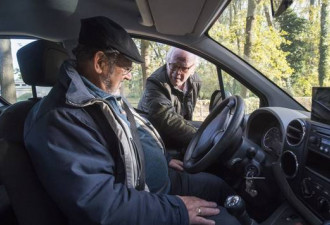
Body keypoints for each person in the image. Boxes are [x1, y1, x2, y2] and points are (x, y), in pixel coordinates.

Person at [24, 16, 240, 225]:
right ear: (99, 62)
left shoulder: (101, 95)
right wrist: (177, 210)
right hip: (143, 202)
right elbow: (103, 205)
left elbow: (130, 134)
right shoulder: (61, 120)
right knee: (226, 221)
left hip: (157, 182)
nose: (128, 76)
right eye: (126, 68)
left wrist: (162, 158)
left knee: (220, 187)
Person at [138, 47, 201, 151]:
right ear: (167, 62)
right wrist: (200, 138)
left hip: (176, 135)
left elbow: (186, 117)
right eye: (173, 65)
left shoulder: (196, 82)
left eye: (184, 68)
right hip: (154, 140)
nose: (177, 73)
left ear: (193, 69)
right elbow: (167, 120)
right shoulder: (155, 83)